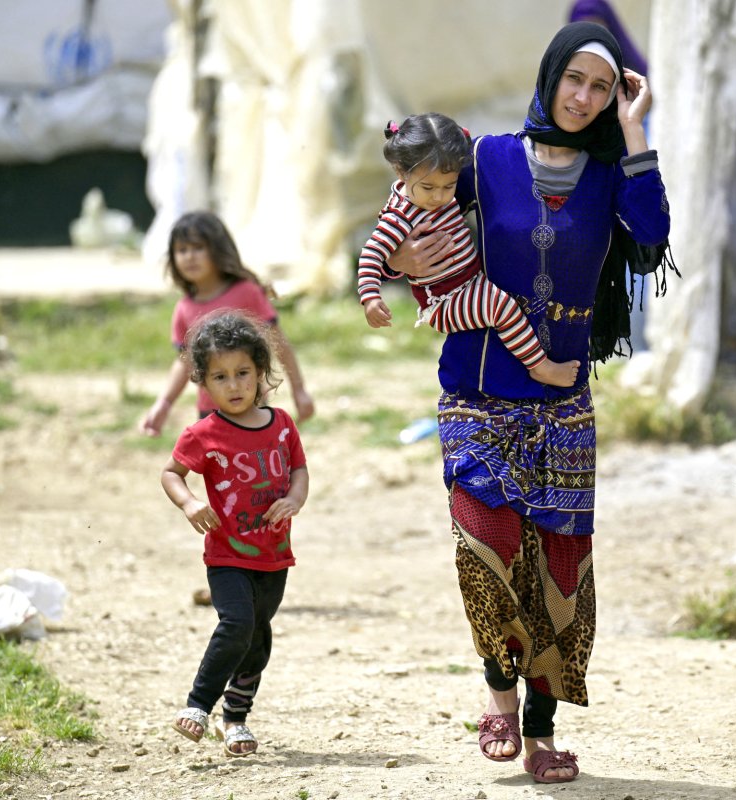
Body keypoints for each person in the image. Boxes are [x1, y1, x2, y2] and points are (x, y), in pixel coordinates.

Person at [387, 21, 671, 784]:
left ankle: (541, 733)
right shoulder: (486, 158)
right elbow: (415, 194)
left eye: (601, 87)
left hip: (563, 402)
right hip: (477, 392)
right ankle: (497, 698)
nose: (583, 97)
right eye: (573, 79)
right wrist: (405, 260)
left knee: (559, 572)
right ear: (548, 78)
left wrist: (635, 130)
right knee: (485, 546)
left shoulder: (612, 174)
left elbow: (652, 233)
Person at [162, 310, 309, 757]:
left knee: (258, 634)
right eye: (221, 377)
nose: (235, 385)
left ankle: (237, 718)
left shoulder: (282, 425)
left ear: (261, 372)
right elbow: (171, 474)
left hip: (274, 555)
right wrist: (189, 503)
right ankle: (199, 705)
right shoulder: (202, 434)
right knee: (237, 623)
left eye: (243, 373)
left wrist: (295, 500)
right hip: (226, 554)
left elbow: (300, 470)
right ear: (204, 383)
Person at [358, 113, 580, 388]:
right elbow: (371, 254)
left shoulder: (437, 195)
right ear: (401, 171)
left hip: (471, 283)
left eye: (448, 186)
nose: (439, 196)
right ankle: (540, 366)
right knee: (501, 308)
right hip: (444, 301)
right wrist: (370, 298)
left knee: (510, 299)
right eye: (428, 187)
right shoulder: (401, 216)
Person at [139, 211, 315, 437]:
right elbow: (184, 363)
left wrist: (299, 390)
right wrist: (163, 404)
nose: (190, 257)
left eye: (198, 248)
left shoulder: (246, 293)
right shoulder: (183, 309)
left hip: (252, 407)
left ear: (217, 249)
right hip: (209, 414)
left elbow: (278, 342)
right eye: (182, 250)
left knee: (260, 469)